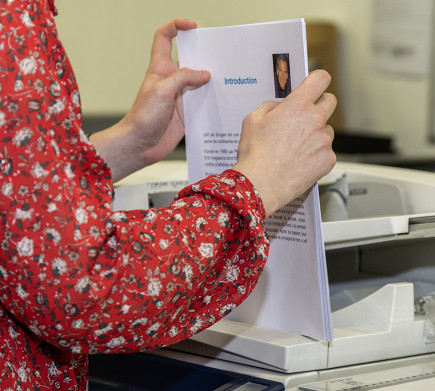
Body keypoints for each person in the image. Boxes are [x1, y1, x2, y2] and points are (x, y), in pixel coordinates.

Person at [0, 1, 336, 389]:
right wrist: (257, 183)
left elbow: (20, 208)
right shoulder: (13, 21)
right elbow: (81, 290)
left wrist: (127, 146)